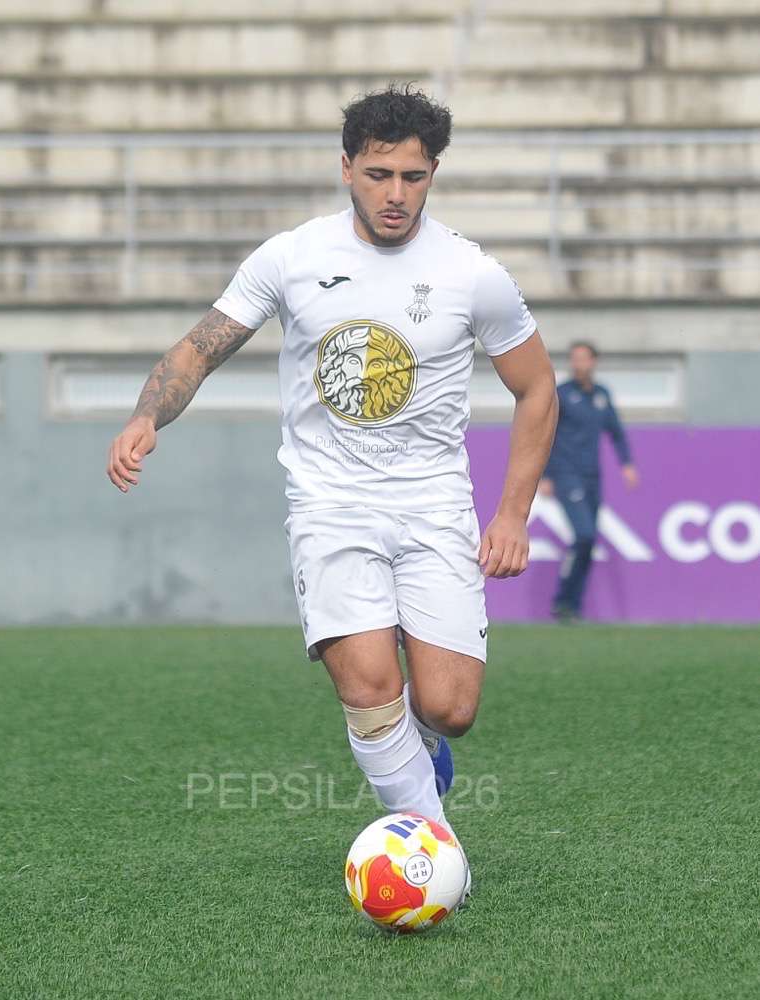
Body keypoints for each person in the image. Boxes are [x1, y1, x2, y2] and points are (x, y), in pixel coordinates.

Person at [106, 85, 557, 863]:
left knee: (449, 709)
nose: (395, 194)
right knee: (370, 689)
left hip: (432, 503)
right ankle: (434, 855)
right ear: (346, 168)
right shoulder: (292, 258)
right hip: (330, 504)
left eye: (412, 176)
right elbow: (199, 349)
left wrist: (512, 513)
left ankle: (422, 748)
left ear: (433, 174)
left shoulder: (471, 272)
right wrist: (148, 414)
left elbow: (538, 388)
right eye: (378, 174)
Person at [539, 341, 639, 622]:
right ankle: (562, 600)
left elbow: (616, 432)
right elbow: (545, 434)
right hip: (567, 475)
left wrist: (627, 464)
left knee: (589, 541)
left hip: (592, 477)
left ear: (594, 362)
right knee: (583, 535)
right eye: (574, 359)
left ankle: (572, 607)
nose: (578, 364)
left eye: (583, 359)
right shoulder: (562, 394)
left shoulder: (601, 395)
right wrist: (546, 474)